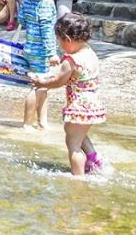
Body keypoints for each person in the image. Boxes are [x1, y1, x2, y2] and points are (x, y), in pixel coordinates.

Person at [29, 13, 106, 176]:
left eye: (59, 40)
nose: (59, 45)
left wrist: (40, 82)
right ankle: (93, 159)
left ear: (67, 39)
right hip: (93, 105)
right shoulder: (89, 52)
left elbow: (59, 81)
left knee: (72, 143)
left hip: (79, 106)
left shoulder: (71, 60)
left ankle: (78, 179)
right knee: (77, 134)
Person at [15, 0, 59, 131]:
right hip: (41, 50)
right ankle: (27, 123)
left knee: (43, 86)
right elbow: (47, 30)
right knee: (37, 86)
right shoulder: (46, 3)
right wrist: (52, 53)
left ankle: (43, 121)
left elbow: (21, 21)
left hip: (29, 47)